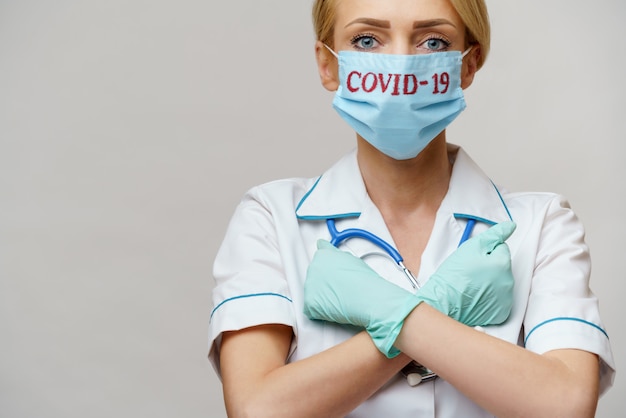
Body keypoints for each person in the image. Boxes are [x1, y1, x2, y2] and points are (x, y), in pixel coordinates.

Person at [208, 0, 615, 416]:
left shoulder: (542, 224)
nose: (400, 66)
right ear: (328, 66)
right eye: (366, 40)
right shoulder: (271, 218)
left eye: (432, 41)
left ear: (468, 65)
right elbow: (258, 409)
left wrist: (387, 310)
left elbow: (565, 404)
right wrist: (440, 308)